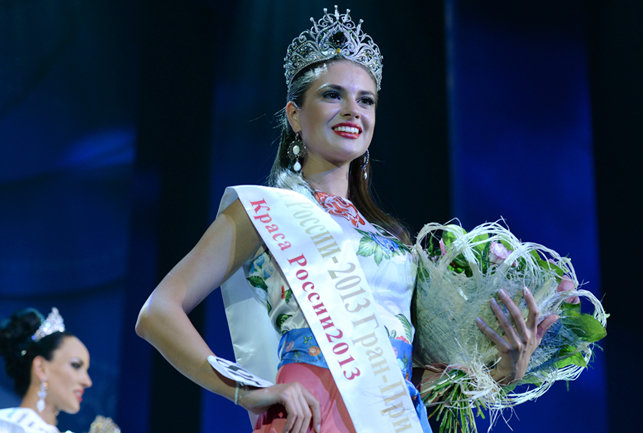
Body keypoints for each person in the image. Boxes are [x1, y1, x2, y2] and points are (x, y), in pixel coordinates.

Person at [136, 6, 549, 433]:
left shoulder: (395, 242)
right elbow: (157, 312)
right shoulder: (265, 211)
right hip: (309, 417)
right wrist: (247, 390)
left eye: (365, 100)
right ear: (295, 115)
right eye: (333, 95)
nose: (353, 110)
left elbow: (409, 383)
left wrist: (500, 372)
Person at [0, 308, 91, 433]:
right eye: (76, 365)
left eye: (86, 370)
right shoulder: (6, 427)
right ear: (41, 368)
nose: (87, 382)